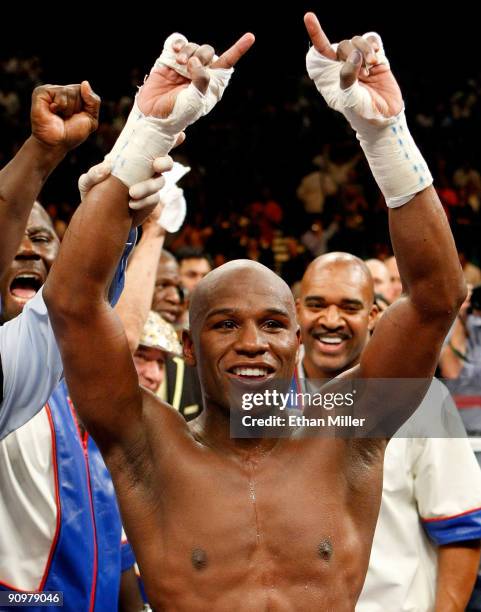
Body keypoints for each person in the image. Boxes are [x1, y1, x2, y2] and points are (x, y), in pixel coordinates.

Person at [44, 20, 465, 609]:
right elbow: (71, 304)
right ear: (188, 349)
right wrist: (151, 130)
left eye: (271, 324)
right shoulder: (147, 444)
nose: (252, 343)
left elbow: (436, 299)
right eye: (223, 324)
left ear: (297, 339)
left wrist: (383, 132)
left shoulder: (345, 432)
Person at [0, 82, 172, 610]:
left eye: (46, 238)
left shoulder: (84, 378)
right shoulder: (16, 375)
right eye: (18, 238)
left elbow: (77, 304)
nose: (29, 250)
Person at [296, 253, 481, 611]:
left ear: (373, 316)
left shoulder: (424, 400)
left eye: (349, 307)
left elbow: (461, 531)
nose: (330, 320)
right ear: (297, 310)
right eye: (317, 305)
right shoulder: (260, 403)